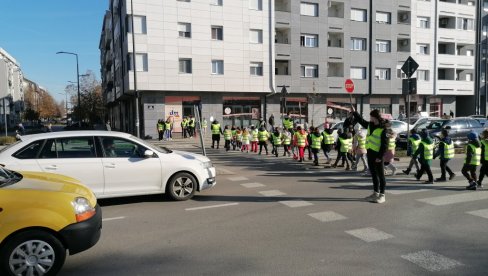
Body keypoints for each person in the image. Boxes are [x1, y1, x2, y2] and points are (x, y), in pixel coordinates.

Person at [353, 108, 388, 204]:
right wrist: (355, 112)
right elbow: (361, 120)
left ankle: (382, 195)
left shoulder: (383, 129)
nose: (370, 118)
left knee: (381, 175)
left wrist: (380, 157)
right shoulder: (370, 125)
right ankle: (375, 193)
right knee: (373, 174)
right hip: (370, 153)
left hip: (378, 155)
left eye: (371, 116)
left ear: (375, 117)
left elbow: (385, 145)